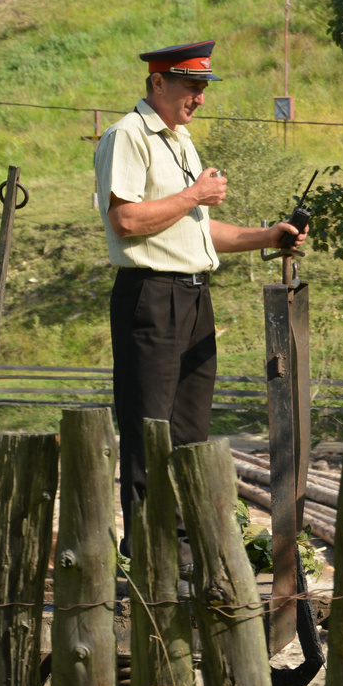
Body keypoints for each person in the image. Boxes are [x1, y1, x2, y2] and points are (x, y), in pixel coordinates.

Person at [95, 40, 308, 566]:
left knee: (190, 429)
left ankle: (185, 548)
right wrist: (194, 195)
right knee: (150, 428)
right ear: (158, 83)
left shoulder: (181, 141)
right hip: (150, 295)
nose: (199, 99)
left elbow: (195, 229)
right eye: (192, 87)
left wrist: (269, 236)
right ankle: (147, 551)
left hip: (191, 294)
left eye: (203, 88)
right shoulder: (127, 135)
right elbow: (125, 221)